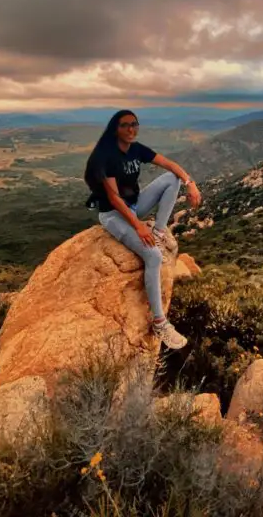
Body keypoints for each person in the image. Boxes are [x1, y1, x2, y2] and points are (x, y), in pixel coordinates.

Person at [83, 109, 202, 350]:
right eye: (125, 125)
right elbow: (114, 199)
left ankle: (159, 232)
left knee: (172, 178)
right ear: (115, 128)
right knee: (154, 255)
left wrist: (191, 184)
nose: (131, 129)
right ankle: (160, 323)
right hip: (114, 215)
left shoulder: (136, 149)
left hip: (135, 206)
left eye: (134, 124)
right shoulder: (106, 155)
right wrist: (138, 227)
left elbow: (169, 164)